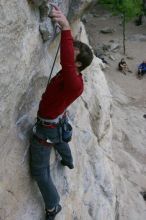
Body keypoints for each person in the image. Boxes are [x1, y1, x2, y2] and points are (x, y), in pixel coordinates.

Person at [29, 4, 93, 220]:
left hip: (47, 127)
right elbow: (68, 56)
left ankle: (53, 205)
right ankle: (69, 160)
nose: (67, 57)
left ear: (77, 64)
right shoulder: (73, 77)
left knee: (39, 171)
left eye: (72, 56)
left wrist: (66, 28)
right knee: (59, 139)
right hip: (54, 123)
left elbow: (65, 59)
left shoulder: (74, 82)